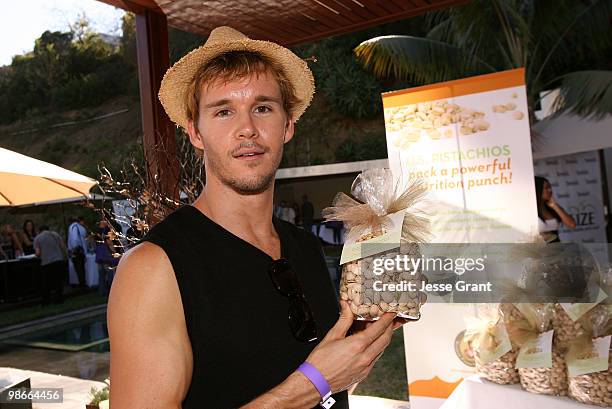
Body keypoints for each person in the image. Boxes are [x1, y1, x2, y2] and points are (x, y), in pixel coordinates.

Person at [109, 27, 404, 409]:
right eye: (224, 111)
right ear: (195, 132)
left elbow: (313, 366)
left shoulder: (305, 247)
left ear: (287, 126)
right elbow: (317, 379)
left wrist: (364, 337)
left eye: (263, 107)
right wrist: (312, 385)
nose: (247, 128)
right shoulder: (154, 268)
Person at [535, 176, 576, 242]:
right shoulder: (530, 209)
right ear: (538, 189)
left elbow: (572, 224)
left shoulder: (552, 207)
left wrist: (554, 206)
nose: (550, 190)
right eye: (546, 188)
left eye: (550, 187)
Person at [34, 225, 68, 304]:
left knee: (46, 284)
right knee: (58, 282)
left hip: (46, 263)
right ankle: (59, 299)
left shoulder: (38, 238)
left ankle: (46, 301)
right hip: (58, 260)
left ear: (40, 230)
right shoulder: (55, 234)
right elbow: (62, 246)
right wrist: (65, 256)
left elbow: (38, 253)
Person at [95, 220, 118, 297]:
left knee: (101, 275)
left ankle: (103, 292)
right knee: (110, 274)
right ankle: (112, 292)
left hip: (99, 255)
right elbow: (110, 243)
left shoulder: (96, 232)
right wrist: (114, 252)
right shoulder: (106, 232)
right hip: (107, 256)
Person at [67, 216, 88, 287]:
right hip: (82, 251)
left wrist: (73, 249)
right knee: (81, 268)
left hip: (77, 251)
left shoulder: (73, 227)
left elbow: (74, 239)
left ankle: (82, 284)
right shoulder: (80, 227)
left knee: (78, 268)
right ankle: (83, 283)